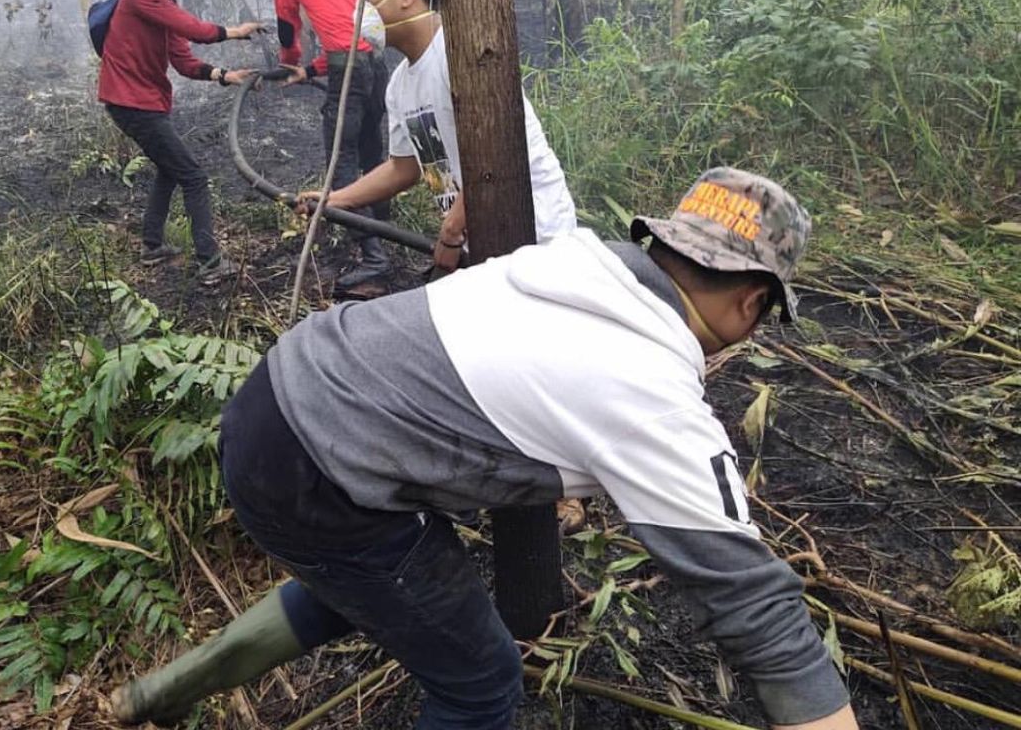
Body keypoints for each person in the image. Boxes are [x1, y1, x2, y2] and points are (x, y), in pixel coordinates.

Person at [112, 168, 859, 730]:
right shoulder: (654, 394)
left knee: (371, 581)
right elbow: (753, 602)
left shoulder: (578, 263)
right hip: (319, 471)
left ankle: (156, 695)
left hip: (279, 396)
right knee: (481, 684)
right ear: (755, 303)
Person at [298, 0, 578, 289]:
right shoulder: (400, 84)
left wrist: (451, 230)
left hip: (537, 234)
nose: (358, 12)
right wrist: (334, 199)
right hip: (482, 242)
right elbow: (406, 168)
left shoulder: (461, 57)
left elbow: (498, 151)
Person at [98, 0, 263, 286]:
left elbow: (183, 60)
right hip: (132, 102)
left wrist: (224, 75)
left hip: (141, 101)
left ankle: (152, 245)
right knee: (193, 176)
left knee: (170, 169)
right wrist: (234, 31)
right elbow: (196, 30)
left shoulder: (162, 2)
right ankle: (210, 262)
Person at [275, 0, 394, 297]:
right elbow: (354, 34)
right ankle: (380, 225)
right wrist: (311, 71)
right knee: (373, 148)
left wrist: (290, 62)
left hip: (349, 69)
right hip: (376, 63)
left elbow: (286, 25)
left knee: (341, 160)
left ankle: (373, 256)